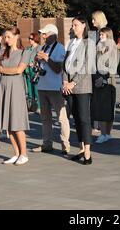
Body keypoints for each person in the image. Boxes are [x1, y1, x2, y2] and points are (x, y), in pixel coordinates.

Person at [0, 27, 31, 166]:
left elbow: (19, 70)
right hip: (3, 87)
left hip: (16, 89)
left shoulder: (24, 52)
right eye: (5, 37)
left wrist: (3, 70)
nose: (6, 40)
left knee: (17, 122)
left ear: (16, 36)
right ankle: (16, 153)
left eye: (8, 37)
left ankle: (24, 154)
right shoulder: (2, 52)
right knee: (8, 123)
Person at [30, 24, 71, 155]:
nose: (43, 36)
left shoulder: (59, 48)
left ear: (53, 34)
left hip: (55, 87)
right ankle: (47, 144)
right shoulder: (43, 47)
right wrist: (37, 61)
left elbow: (59, 69)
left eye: (45, 34)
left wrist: (47, 58)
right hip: (42, 86)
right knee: (45, 118)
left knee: (61, 117)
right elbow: (40, 65)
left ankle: (66, 145)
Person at [63, 17, 95, 165]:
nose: (73, 27)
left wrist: (73, 82)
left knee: (84, 118)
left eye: (76, 25)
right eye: (72, 25)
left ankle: (88, 152)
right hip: (69, 86)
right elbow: (65, 64)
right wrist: (65, 81)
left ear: (83, 25)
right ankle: (81, 148)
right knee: (76, 118)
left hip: (81, 86)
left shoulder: (89, 43)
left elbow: (86, 66)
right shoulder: (71, 43)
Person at [93, 27, 118, 144]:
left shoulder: (111, 46)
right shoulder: (99, 46)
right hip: (99, 77)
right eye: (100, 34)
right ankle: (105, 133)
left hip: (107, 79)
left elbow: (113, 64)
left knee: (107, 107)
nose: (100, 36)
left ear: (108, 35)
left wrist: (104, 79)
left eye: (102, 34)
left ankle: (106, 133)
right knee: (103, 107)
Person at [91, 11, 109, 134]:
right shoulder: (95, 33)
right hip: (94, 67)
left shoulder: (104, 32)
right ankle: (96, 124)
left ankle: (101, 127)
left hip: (101, 68)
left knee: (100, 98)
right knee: (95, 97)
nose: (92, 22)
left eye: (94, 19)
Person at [24, 32, 41, 112]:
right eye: (29, 38)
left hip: (35, 71)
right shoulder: (28, 49)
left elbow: (40, 59)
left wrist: (34, 63)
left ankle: (39, 107)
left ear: (35, 39)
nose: (30, 40)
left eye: (31, 38)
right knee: (29, 90)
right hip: (28, 71)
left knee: (36, 89)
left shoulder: (39, 48)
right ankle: (31, 105)